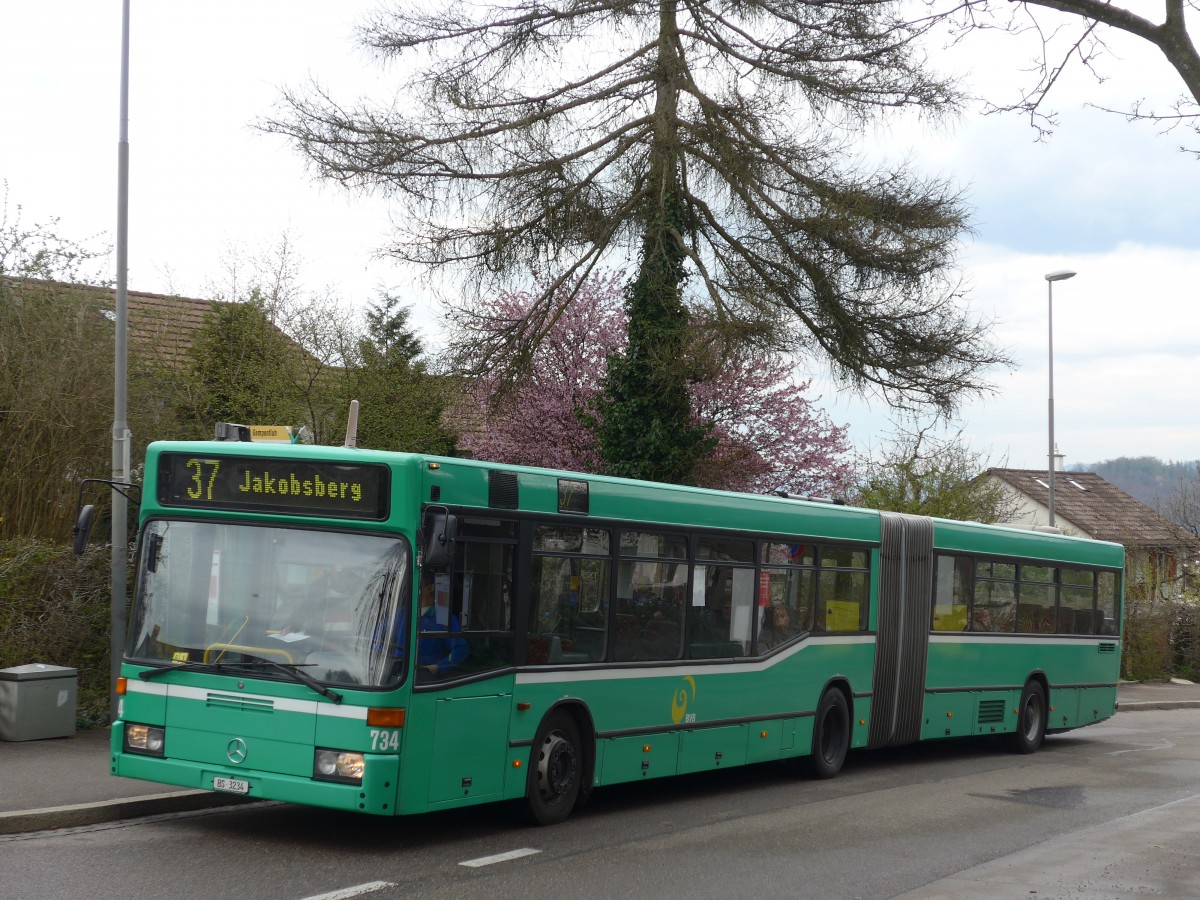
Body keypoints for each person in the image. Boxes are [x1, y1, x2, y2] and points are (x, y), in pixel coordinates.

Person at [412, 578, 468, 677]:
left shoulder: (443, 617)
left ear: (430, 588)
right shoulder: (401, 614)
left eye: (416, 584)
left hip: (426, 675)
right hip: (396, 672)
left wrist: (439, 666)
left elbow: (461, 649)